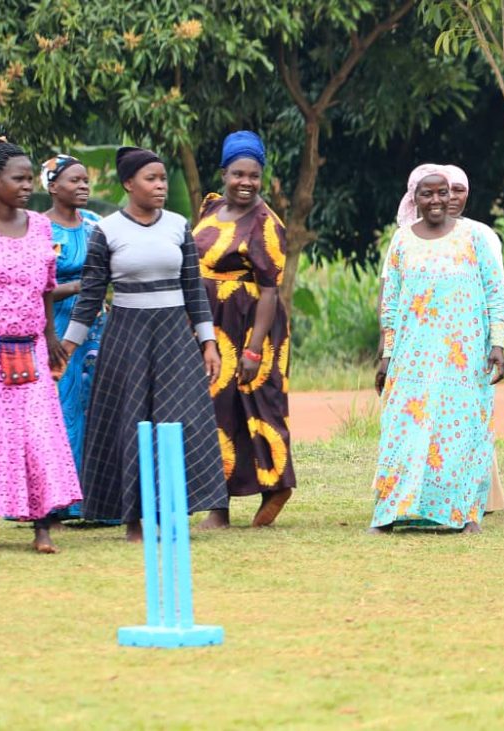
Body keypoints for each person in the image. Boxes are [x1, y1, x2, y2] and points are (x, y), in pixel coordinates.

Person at [61, 146, 227, 541]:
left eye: (163, 179)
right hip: (126, 338)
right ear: (128, 184)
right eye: (151, 179)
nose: (160, 186)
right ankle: (132, 520)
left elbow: (194, 288)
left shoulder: (177, 225)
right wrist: (67, 348)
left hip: (173, 337)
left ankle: (171, 513)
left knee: (179, 420)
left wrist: (208, 342)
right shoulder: (107, 231)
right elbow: (90, 298)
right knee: (130, 422)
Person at [377, 164, 504, 514]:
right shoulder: (402, 239)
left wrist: (499, 343)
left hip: (463, 357)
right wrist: (387, 352)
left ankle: (463, 512)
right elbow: (391, 301)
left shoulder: (475, 237)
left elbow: (496, 292)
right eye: (427, 193)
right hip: (413, 356)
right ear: (413, 198)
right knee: (405, 429)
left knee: (462, 433)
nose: (438, 200)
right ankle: (395, 511)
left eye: (444, 192)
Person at [0, 135, 81, 552]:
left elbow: (47, 287)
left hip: (30, 348)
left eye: (30, 179)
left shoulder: (41, 227)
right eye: (19, 178)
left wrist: (50, 338)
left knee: (38, 435)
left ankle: (42, 528)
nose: (28, 185)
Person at [193, 131, 296, 528]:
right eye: (238, 173)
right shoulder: (210, 208)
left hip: (253, 327)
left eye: (254, 175)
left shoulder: (266, 223)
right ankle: (217, 504)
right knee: (215, 411)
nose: (246, 182)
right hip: (214, 327)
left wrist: (253, 351)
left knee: (259, 406)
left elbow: (270, 292)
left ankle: (275, 487)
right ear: (224, 173)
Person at [442, 164, 504, 513]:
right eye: (442, 188)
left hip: (470, 342)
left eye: (458, 189)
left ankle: (479, 496)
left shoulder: (481, 235)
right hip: (424, 344)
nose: (450, 196)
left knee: (470, 417)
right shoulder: (409, 234)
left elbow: (498, 289)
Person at [38, 154, 105, 522]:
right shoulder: (38, 229)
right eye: (73, 180)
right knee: (61, 410)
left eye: (85, 181)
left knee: (94, 406)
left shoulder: (96, 225)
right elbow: (38, 285)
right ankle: (57, 500)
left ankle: (91, 499)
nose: (83, 186)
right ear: (51, 186)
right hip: (56, 328)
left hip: (97, 328)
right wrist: (81, 285)